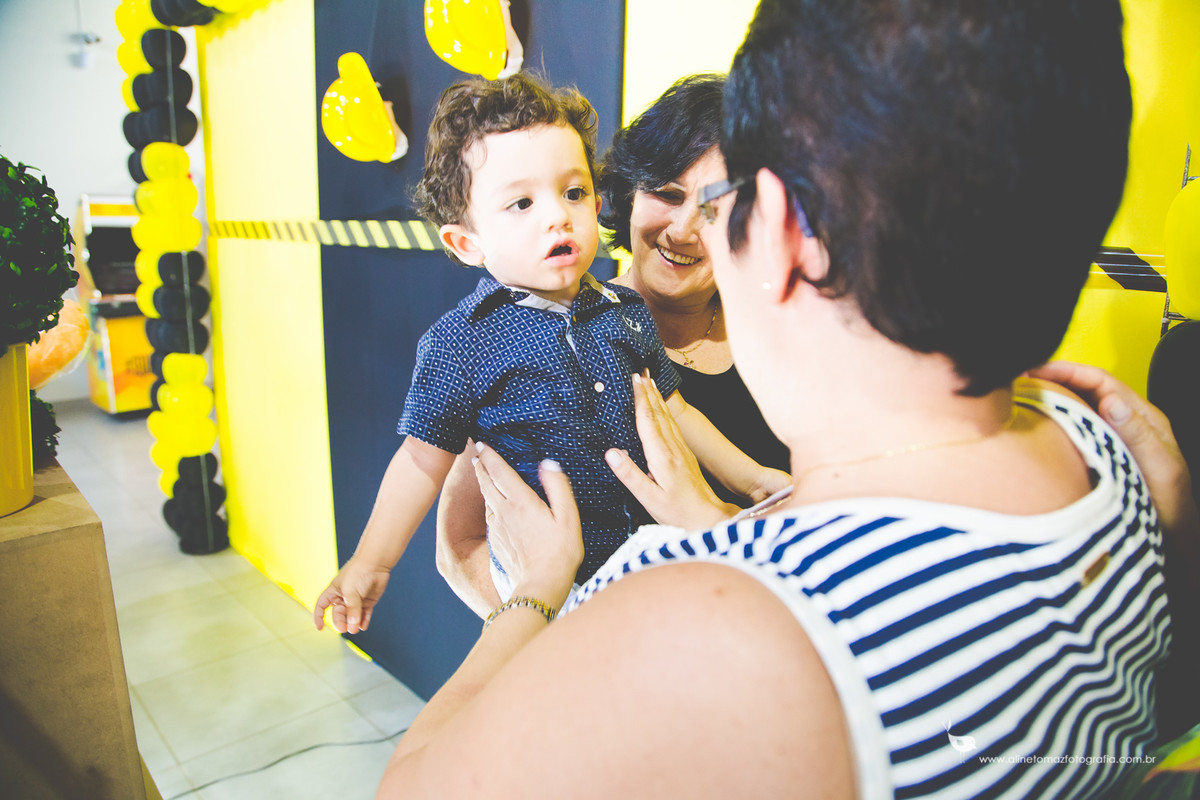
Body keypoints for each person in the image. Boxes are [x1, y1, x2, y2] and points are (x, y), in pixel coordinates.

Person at [374, 2, 1178, 798]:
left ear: (779, 232)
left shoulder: (708, 614)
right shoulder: (1112, 448)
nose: (691, 232)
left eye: (718, 205)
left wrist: (534, 595)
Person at [313, 73, 787, 633]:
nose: (557, 215)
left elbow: (676, 411)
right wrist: (372, 561)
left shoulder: (625, 312)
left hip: (651, 557)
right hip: (554, 586)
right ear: (466, 242)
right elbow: (421, 460)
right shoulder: (462, 344)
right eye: (521, 202)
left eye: (573, 193)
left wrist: (754, 478)